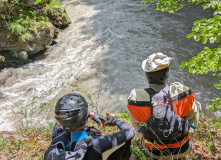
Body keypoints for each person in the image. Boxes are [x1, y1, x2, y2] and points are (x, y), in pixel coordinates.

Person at [127, 53, 201, 160]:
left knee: (131, 110)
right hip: (182, 149)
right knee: (196, 105)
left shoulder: (136, 97)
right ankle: (190, 132)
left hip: (153, 151)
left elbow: (137, 120)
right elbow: (192, 114)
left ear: (147, 77)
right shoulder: (180, 92)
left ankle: (141, 137)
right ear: (166, 74)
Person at [44, 93, 135, 160]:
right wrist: (114, 120)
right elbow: (129, 132)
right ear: (84, 117)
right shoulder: (98, 144)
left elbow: (63, 118)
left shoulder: (56, 139)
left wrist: (89, 114)